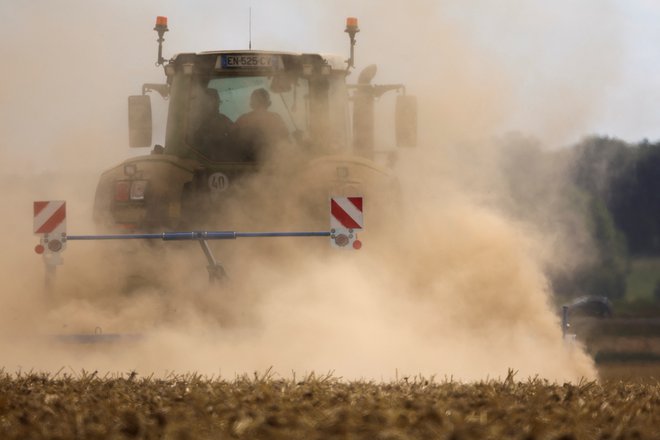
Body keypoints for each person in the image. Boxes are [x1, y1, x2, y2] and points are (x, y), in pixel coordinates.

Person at [232, 88, 289, 161]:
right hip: (271, 164)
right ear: (268, 103)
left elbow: (232, 140)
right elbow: (285, 140)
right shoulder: (276, 118)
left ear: (252, 103)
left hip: (245, 164)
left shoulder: (243, 119)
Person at [194, 88, 233, 160]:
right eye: (214, 101)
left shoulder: (223, 120)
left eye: (218, 102)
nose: (217, 104)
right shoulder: (195, 122)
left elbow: (236, 137)